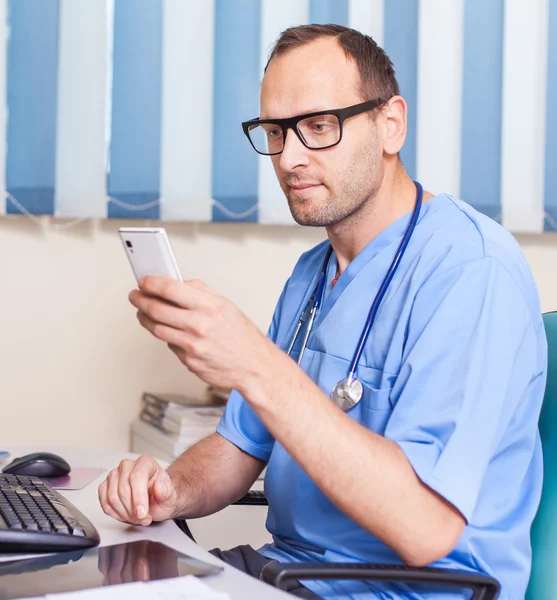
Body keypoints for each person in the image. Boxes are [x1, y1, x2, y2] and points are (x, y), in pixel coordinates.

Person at [98, 25, 546, 599]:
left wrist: (254, 364)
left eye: (318, 126)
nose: (289, 157)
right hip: (285, 573)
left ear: (391, 124)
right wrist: (170, 488)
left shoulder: (471, 271)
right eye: (276, 132)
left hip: (403, 590)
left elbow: (426, 527)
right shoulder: (314, 273)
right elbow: (239, 446)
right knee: (94, 579)